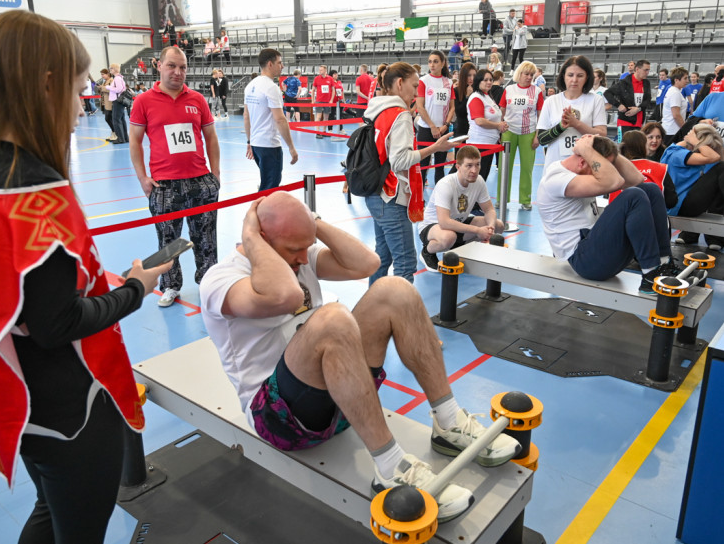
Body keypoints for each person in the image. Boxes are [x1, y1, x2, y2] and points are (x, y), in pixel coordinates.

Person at [0, 11, 172, 543]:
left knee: (49, 510)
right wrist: (134, 289)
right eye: (76, 90)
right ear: (47, 86)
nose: (80, 106)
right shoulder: (34, 189)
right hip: (69, 407)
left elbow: (9, 299)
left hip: (11, 389)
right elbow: (56, 323)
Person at [198, 191, 521, 523]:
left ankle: (449, 422)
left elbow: (368, 264)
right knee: (332, 319)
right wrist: (251, 237)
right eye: (294, 249)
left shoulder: (299, 257)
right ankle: (390, 468)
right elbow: (286, 296)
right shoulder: (221, 280)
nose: (302, 258)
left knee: (395, 289)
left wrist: (313, 223)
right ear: (261, 238)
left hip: (339, 403)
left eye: (306, 247)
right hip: (279, 420)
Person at [129, 46, 221, 307]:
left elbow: (211, 137)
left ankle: (208, 283)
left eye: (182, 67)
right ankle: (170, 285)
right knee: (168, 240)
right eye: (172, 66)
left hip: (200, 181)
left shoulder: (197, 100)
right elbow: (135, 141)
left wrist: (215, 174)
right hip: (164, 185)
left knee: (206, 237)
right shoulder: (143, 101)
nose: (178, 72)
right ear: (159, 66)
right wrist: (142, 177)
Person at [537, 135, 680, 292]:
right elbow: (614, 182)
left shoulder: (578, 168)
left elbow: (637, 179)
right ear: (583, 162)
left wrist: (611, 152)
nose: (603, 171)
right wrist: (586, 149)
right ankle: (650, 275)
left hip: (598, 248)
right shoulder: (556, 179)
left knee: (650, 189)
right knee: (634, 196)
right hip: (584, 261)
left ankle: (664, 264)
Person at [365, 62, 459, 284]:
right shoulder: (400, 115)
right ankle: (400, 307)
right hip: (391, 195)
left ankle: (373, 304)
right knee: (406, 264)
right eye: (415, 86)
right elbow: (400, 160)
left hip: (376, 192)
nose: (417, 93)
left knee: (382, 258)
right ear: (400, 83)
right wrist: (435, 148)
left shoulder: (377, 109)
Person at [418, 145, 505, 270]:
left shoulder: (479, 181)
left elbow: (489, 209)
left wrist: (490, 228)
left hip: (458, 223)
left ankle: (457, 247)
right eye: (469, 165)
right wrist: (478, 230)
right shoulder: (446, 184)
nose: (474, 170)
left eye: (477, 165)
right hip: (433, 226)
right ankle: (427, 252)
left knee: (498, 225)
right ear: (458, 167)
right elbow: (444, 222)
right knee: (449, 237)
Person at [661, 123, 724, 250]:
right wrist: (696, 141)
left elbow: (719, 156)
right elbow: (715, 157)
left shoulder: (677, 150)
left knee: (719, 174)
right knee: (722, 168)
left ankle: (699, 236)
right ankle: (691, 234)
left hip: (680, 204)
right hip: (679, 206)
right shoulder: (677, 154)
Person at [537, 55, 607, 170]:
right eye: (570, 75)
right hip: (556, 165)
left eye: (580, 76)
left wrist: (577, 124)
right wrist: (560, 127)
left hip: (585, 166)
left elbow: (602, 135)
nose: (574, 80)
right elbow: (541, 139)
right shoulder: (551, 101)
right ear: (563, 76)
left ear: (587, 77)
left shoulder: (596, 100)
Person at [244, 48, 299, 191]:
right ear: (270, 64)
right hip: (269, 145)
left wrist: (249, 141)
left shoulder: (250, 86)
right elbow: (280, 119)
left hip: (256, 145)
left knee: (266, 184)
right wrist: (291, 147)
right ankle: (259, 206)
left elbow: (246, 116)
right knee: (269, 188)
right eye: (279, 63)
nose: (282, 66)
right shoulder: (271, 88)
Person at [499, 61, 544, 210]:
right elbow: (501, 111)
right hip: (509, 132)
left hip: (528, 133)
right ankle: (502, 198)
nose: (529, 77)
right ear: (520, 74)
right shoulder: (509, 89)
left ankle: (525, 199)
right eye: (526, 74)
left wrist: (537, 135)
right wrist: (499, 129)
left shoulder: (537, 91)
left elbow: (541, 115)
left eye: (532, 74)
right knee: (505, 167)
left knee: (527, 168)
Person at [415, 50, 455, 187]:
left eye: (436, 61)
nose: (432, 65)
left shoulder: (449, 82)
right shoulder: (423, 81)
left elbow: (452, 107)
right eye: (430, 62)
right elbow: (420, 106)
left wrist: (445, 125)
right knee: (423, 166)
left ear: (443, 63)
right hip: (426, 129)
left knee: (440, 166)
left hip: (442, 129)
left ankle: (440, 195)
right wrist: (432, 126)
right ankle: (419, 197)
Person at [608, 130, 677, 208]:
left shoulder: (613, 170)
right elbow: (671, 201)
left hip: (619, 213)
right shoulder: (660, 168)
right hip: (650, 213)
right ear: (644, 146)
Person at [467, 69, 508, 183]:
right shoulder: (476, 97)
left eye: (490, 80)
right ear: (478, 81)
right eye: (485, 80)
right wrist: (498, 126)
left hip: (489, 144)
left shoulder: (487, 96)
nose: (489, 82)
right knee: (476, 180)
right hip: (479, 144)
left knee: (482, 178)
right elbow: (479, 121)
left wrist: (500, 126)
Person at [604, 59, 652, 140]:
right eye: (645, 70)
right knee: (623, 145)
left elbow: (648, 99)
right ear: (637, 69)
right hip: (625, 121)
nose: (647, 72)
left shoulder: (646, 83)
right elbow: (607, 93)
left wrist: (638, 109)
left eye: (648, 70)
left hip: (639, 121)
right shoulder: (624, 82)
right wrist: (618, 105)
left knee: (637, 146)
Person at [661, 66, 689, 145]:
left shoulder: (674, 91)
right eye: (685, 78)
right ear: (676, 80)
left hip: (671, 130)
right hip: (673, 131)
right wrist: (685, 129)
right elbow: (676, 115)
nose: (687, 81)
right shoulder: (675, 93)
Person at [106, 63, 128, 144]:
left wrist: (108, 87)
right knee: (121, 119)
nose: (110, 70)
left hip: (117, 101)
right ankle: (125, 137)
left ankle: (120, 138)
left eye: (111, 68)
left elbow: (119, 89)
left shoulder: (117, 79)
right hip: (119, 101)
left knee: (116, 120)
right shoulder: (119, 78)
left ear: (115, 69)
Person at [311, 65, 334, 139]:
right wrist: (313, 100)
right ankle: (317, 132)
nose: (320, 71)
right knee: (318, 116)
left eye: (321, 70)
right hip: (319, 101)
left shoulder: (330, 79)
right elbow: (313, 90)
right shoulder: (316, 78)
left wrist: (331, 100)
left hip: (327, 101)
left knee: (326, 117)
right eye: (319, 70)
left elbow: (333, 90)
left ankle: (324, 131)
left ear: (325, 70)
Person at [97, 69, 116, 141]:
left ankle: (115, 132)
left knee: (108, 118)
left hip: (110, 103)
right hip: (105, 102)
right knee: (108, 118)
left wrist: (102, 87)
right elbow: (103, 90)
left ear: (108, 74)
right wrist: (100, 88)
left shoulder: (111, 81)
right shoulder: (105, 82)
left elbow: (111, 89)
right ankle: (113, 132)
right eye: (101, 74)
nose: (102, 76)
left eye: (103, 74)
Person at [328, 69, 347, 136]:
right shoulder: (330, 82)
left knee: (340, 115)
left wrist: (344, 100)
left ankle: (341, 129)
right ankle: (330, 130)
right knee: (331, 115)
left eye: (337, 74)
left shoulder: (339, 82)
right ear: (331, 75)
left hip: (340, 101)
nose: (336, 75)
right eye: (335, 74)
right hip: (333, 101)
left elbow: (342, 91)